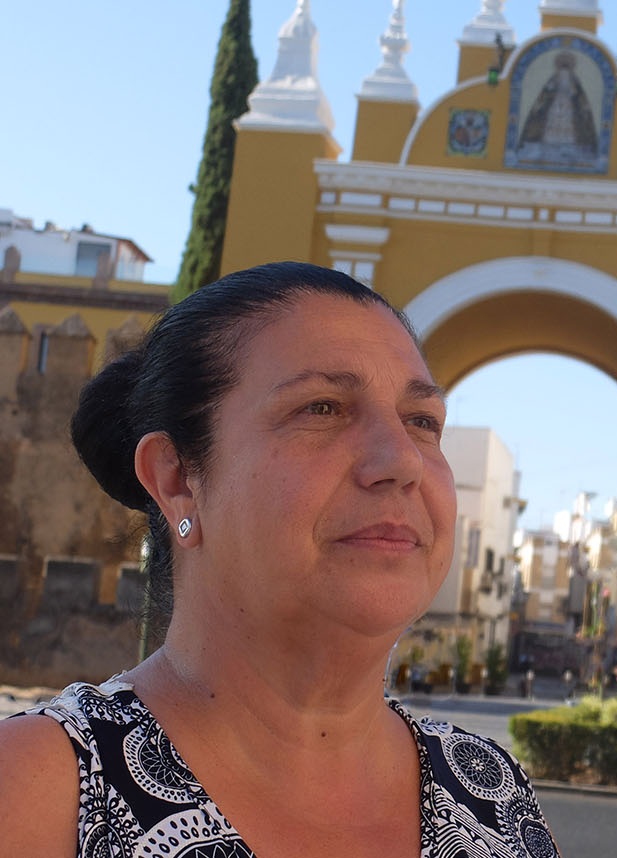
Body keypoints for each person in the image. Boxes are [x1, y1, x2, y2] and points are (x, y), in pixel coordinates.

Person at [0, 263, 561, 858]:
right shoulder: (36, 796)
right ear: (177, 481)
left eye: (422, 422)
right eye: (322, 408)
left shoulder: (495, 795)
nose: (403, 459)